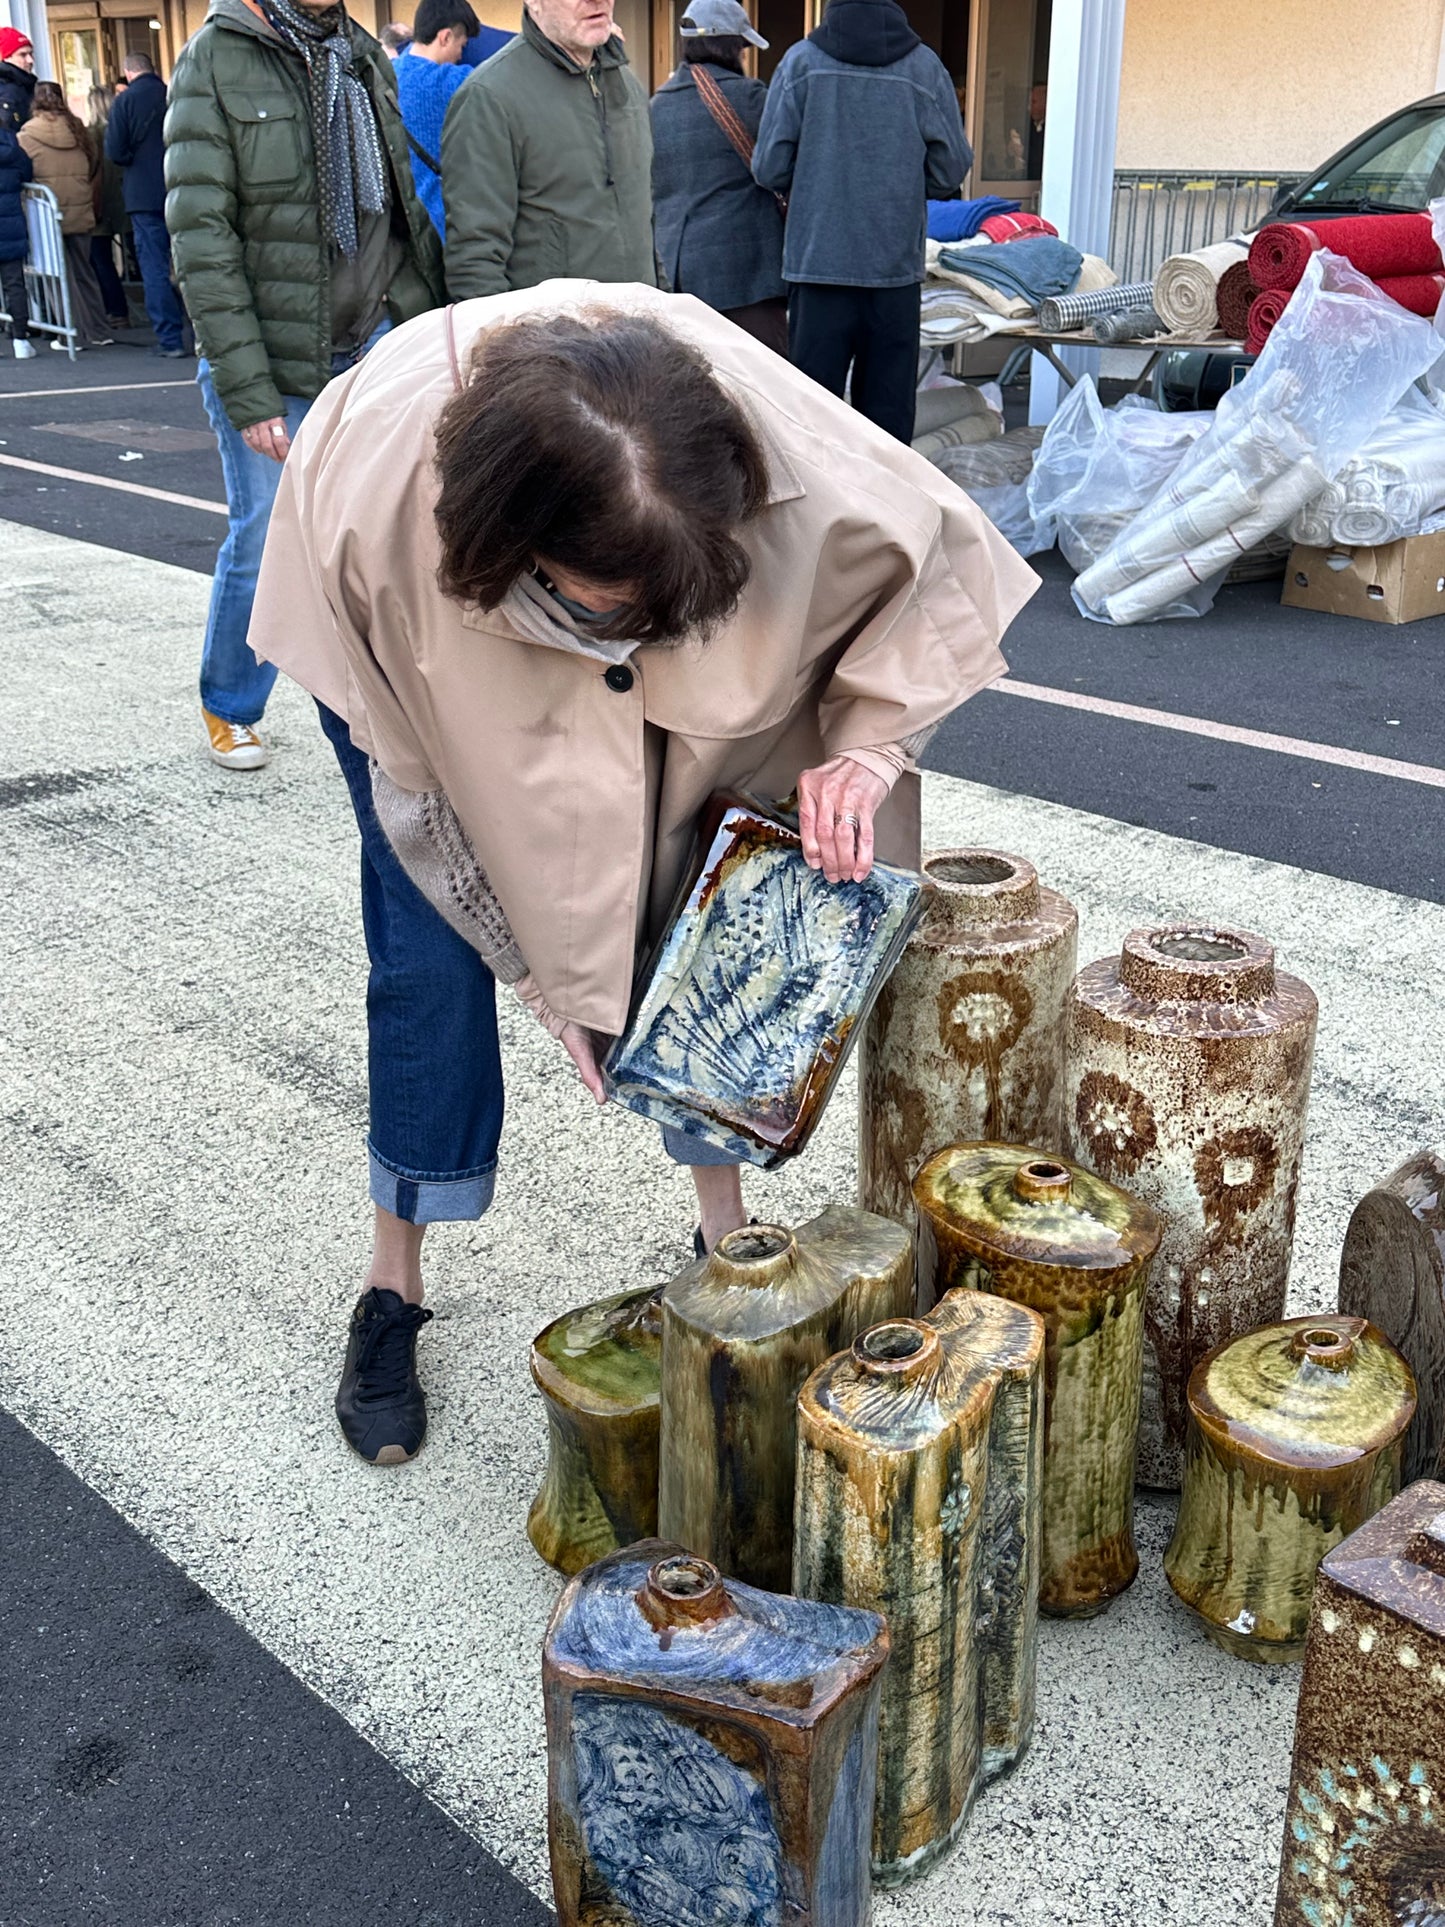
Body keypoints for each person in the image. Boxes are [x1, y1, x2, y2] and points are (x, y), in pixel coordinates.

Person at [247, 283, 1037, 1463]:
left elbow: (938, 568)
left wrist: (869, 751)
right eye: (603, 615)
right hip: (419, 659)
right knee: (426, 967)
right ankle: (392, 1282)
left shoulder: (771, 453)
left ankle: (727, 1248)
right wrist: (540, 969)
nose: (624, 645)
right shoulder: (379, 531)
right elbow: (424, 806)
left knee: (708, 901)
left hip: (672, 562)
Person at [165, 0, 444, 771]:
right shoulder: (216, 57)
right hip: (275, 354)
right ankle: (230, 702)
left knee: (388, 535)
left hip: (374, 340)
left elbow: (396, 209)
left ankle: (384, 706)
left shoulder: (359, 54)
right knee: (263, 537)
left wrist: (424, 321)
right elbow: (201, 239)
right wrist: (248, 392)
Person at [753, 0, 971, 444]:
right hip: (893, 272)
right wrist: (904, 182)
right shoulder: (924, 68)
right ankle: (888, 512)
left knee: (813, 421)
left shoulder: (801, 63)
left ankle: (820, 513)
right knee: (888, 426)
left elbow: (769, 167)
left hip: (818, 266)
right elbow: (951, 169)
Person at [441, 0, 655, 299]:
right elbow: (475, 261)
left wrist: (665, 307)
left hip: (641, 329)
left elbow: (647, 220)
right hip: (553, 338)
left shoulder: (628, 87)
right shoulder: (489, 97)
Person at [651, 0, 786, 354]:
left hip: (678, 282)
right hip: (747, 282)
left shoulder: (655, 106)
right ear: (731, 47)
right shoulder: (750, 98)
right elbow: (784, 169)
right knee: (763, 392)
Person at [19, 83, 113, 348]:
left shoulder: (27, 135)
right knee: (85, 271)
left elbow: (22, 171)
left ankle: (71, 333)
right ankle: (99, 329)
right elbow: (94, 164)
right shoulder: (79, 130)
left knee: (57, 276)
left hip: (46, 212)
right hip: (80, 208)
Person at [106, 54, 187, 355]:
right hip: (181, 187)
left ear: (128, 73)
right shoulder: (174, 94)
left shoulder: (124, 102)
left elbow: (115, 150)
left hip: (143, 194)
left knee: (154, 267)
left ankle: (170, 338)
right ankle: (204, 335)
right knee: (192, 264)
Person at [395, 0, 479, 238]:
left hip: (399, 230)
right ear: (445, 37)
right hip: (439, 228)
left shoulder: (386, 74)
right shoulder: (453, 81)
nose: (461, 55)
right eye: (461, 46)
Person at [0, 110, 33, 357]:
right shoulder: (13, 146)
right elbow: (26, 173)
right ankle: (21, 340)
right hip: (10, 224)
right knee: (15, 283)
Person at [0, 27, 35, 132]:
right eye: (23, 55)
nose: (30, 60)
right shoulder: (6, 91)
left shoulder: (27, 84)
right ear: (6, 58)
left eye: (31, 54)